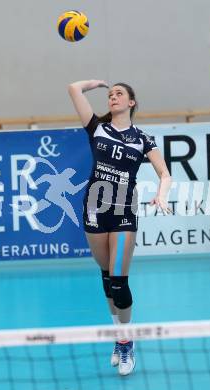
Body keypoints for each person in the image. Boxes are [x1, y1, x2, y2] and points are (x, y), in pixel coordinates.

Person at [68, 80, 172, 375]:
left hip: (124, 211)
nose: (113, 97)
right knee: (106, 278)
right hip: (94, 209)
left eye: (119, 94)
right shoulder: (97, 128)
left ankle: (126, 342)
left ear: (131, 103)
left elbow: (165, 173)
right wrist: (96, 84)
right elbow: (73, 89)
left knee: (119, 282)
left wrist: (161, 195)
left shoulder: (143, 139)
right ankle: (120, 335)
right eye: (110, 94)